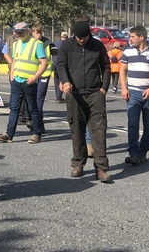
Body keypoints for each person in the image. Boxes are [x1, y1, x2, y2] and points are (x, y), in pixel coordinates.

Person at [56, 21, 112, 182]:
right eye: (79, 38)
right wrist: (65, 81)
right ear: (75, 35)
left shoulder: (97, 46)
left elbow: (106, 67)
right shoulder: (67, 45)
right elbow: (61, 64)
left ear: (89, 35)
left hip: (95, 94)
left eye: (84, 37)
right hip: (74, 94)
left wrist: (103, 89)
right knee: (77, 131)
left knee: (99, 131)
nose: (82, 40)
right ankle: (78, 164)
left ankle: (101, 169)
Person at [0, 22, 48, 144]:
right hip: (16, 80)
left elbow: (44, 63)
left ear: (27, 31)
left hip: (29, 81)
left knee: (32, 108)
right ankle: (9, 134)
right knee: (14, 108)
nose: (17, 35)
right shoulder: (17, 44)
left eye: (20, 33)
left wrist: (35, 77)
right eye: (16, 32)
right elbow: (14, 61)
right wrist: (12, 74)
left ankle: (37, 133)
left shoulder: (36, 44)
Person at [120, 25, 149, 165]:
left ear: (141, 37)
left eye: (132, 36)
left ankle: (143, 152)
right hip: (132, 93)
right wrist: (123, 88)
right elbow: (122, 71)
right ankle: (133, 153)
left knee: (148, 126)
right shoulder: (128, 52)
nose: (130, 39)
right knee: (132, 124)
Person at [31, 23, 57, 135]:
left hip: (44, 74)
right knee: (32, 100)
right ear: (32, 33)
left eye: (40, 32)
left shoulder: (47, 43)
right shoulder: (30, 43)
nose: (39, 34)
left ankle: (37, 124)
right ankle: (38, 124)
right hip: (32, 74)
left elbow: (56, 53)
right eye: (37, 32)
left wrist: (54, 48)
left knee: (39, 100)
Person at [54, 32, 69, 103]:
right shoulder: (67, 44)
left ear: (61, 36)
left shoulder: (55, 44)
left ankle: (57, 95)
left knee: (56, 80)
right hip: (61, 64)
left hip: (54, 63)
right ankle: (59, 96)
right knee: (61, 79)